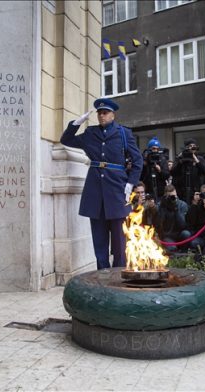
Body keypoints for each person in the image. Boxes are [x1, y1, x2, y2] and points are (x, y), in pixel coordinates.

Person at [60, 98, 143, 270]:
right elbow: (66, 140)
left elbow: (137, 160)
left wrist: (130, 184)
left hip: (117, 189)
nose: (101, 116)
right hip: (95, 189)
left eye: (105, 113)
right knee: (99, 239)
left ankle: (120, 272)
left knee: (120, 240)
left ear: (113, 115)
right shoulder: (90, 134)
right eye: (99, 113)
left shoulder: (123, 133)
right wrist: (76, 123)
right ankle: (103, 273)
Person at [148, 185, 191, 253]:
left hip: (180, 234)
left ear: (176, 194)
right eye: (170, 197)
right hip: (168, 236)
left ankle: (184, 252)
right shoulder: (161, 205)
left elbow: (182, 225)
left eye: (174, 196)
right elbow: (158, 224)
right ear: (165, 196)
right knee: (172, 249)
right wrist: (163, 207)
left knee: (186, 234)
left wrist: (176, 208)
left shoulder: (182, 205)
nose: (172, 198)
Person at [171, 138, 205, 204]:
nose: (192, 148)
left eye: (193, 146)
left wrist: (197, 161)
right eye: (189, 146)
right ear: (186, 148)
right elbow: (173, 173)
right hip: (182, 192)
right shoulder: (180, 158)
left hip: (195, 192)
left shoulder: (199, 158)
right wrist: (180, 161)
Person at [140, 137, 170, 201]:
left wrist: (160, 170)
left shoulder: (162, 159)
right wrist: (145, 164)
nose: (155, 150)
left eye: (157, 148)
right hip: (148, 191)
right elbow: (141, 176)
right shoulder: (145, 159)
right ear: (149, 149)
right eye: (153, 148)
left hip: (160, 192)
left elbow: (167, 175)